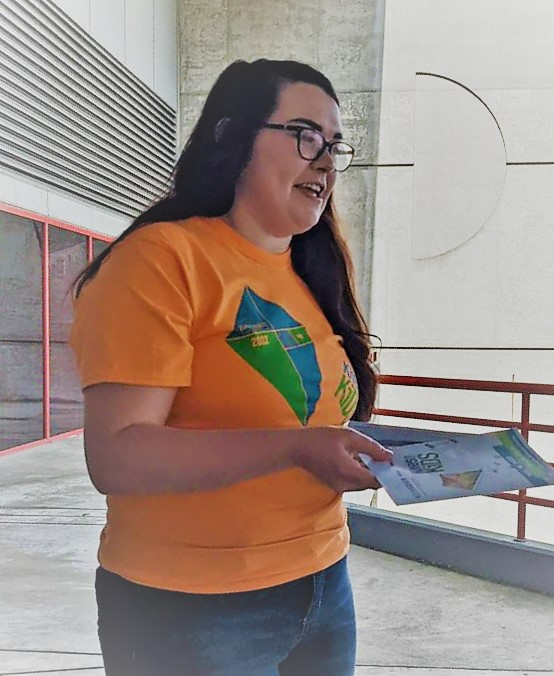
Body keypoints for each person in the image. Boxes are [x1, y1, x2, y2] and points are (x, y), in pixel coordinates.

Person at [70, 58, 392, 676]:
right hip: (188, 607)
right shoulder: (163, 260)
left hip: (324, 582)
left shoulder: (310, 272)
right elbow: (117, 456)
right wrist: (296, 449)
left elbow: (316, 416)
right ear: (231, 136)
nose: (325, 162)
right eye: (304, 136)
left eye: (334, 146)